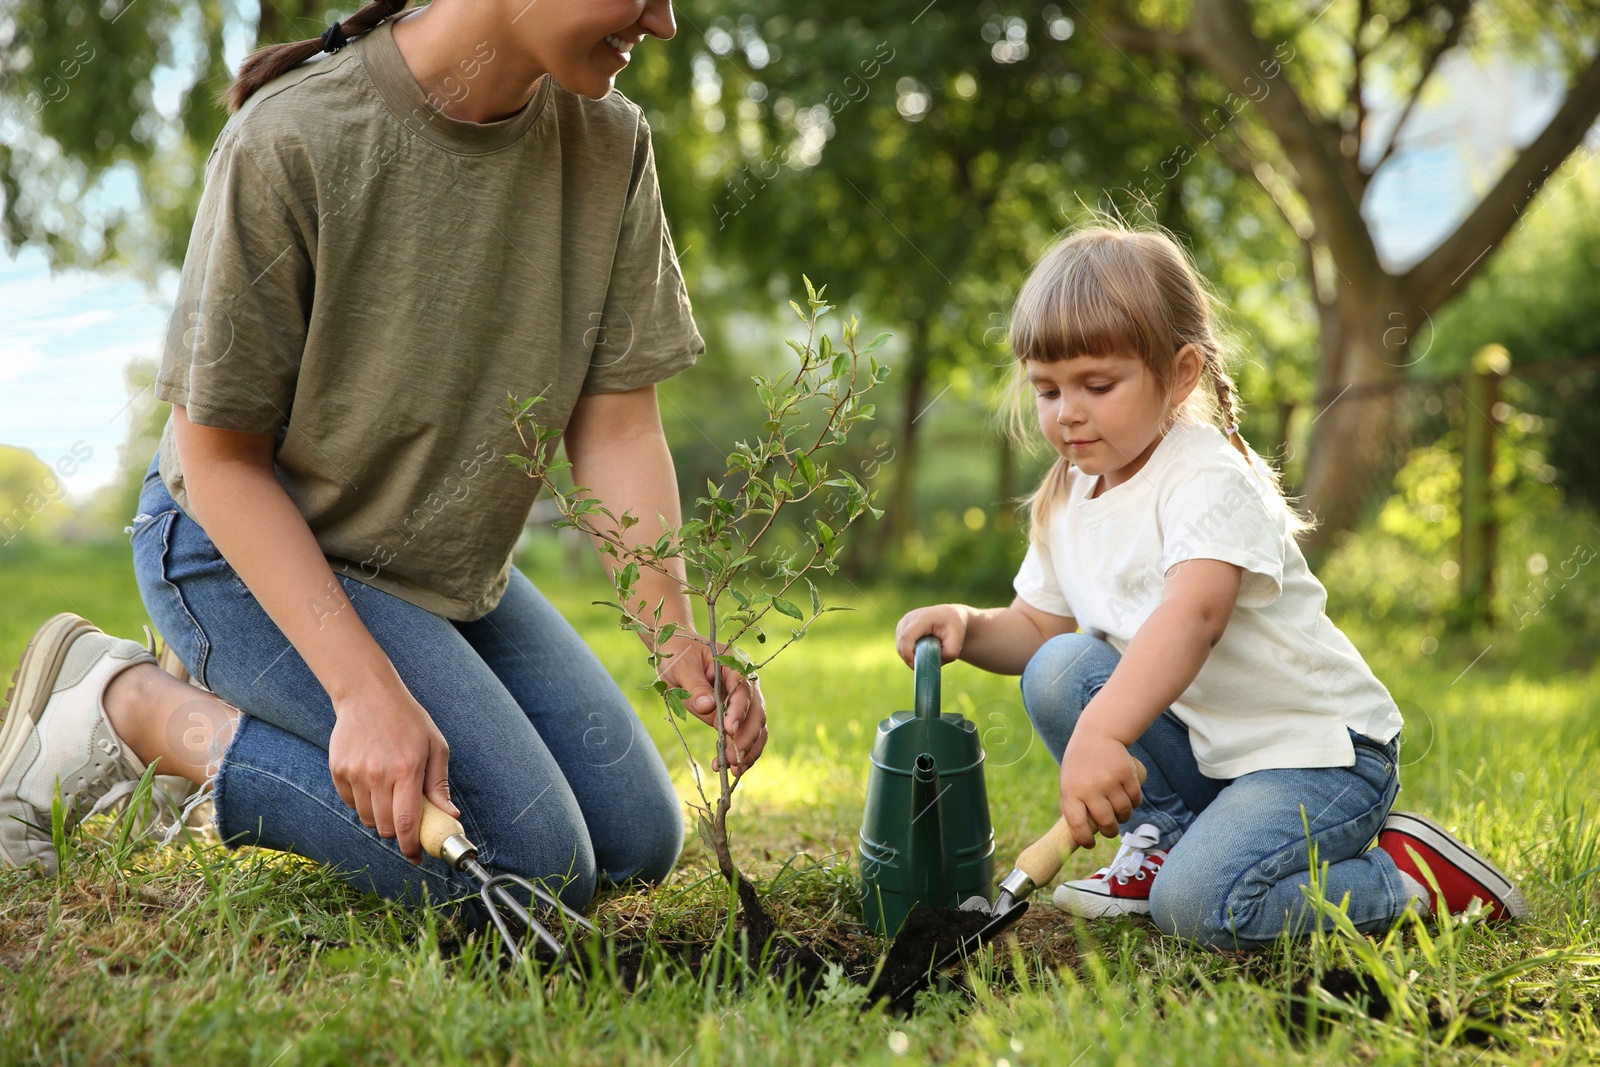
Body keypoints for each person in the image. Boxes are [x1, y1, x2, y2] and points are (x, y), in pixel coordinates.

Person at [0, 0, 768, 926]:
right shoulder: (293, 137)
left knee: (639, 840)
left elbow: (614, 429)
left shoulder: (610, 146)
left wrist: (673, 626)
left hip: (441, 573)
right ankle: (131, 712)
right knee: (535, 870)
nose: (664, 22)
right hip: (233, 554)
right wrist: (365, 691)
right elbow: (216, 463)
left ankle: (265, 703)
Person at [894, 225, 1525, 950]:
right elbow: (1038, 628)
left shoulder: (1205, 476)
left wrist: (1103, 731)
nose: (1068, 410)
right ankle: (1166, 837)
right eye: (1047, 388)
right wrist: (970, 627)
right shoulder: (1068, 494)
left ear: (1182, 372)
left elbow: (1192, 617)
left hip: (1318, 754)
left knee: (1199, 907)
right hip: (1213, 753)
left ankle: (1408, 881)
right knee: (1059, 667)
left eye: (1097, 385)